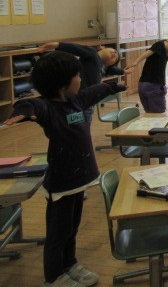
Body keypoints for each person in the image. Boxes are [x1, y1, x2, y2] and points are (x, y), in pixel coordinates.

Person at [4, 51, 126, 287]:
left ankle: (69, 264)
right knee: (58, 233)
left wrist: (114, 87)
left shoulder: (75, 101)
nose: (81, 79)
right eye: (77, 75)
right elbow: (30, 104)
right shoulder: (48, 108)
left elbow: (94, 92)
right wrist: (22, 112)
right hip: (61, 183)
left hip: (78, 180)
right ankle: (54, 277)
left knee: (72, 228)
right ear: (62, 84)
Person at [37, 41, 124, 119]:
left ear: (109, 64)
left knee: (83, 122)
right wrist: (58, 45)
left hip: (88, 102)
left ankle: (75, 128)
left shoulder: (102, 67)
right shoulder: (92, 54)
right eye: (114, 51)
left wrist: (123, 71)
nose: (115, 54)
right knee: (74, 121)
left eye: (116, 58)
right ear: (102, 47)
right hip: (78, 98)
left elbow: (111, 70)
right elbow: (76, 48)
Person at [125, 39, 168, 113]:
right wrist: (135, 62)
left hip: (143, 85)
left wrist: (163, 86)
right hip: (152, 85)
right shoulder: (160, 44)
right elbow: (148, 52)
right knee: (158, 114)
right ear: (167, 41)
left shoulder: (161, 54)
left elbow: (161, 70)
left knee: (149, 113)